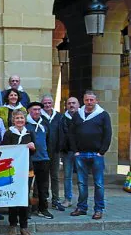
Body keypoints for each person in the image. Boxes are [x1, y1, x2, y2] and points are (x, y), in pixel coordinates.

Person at [69, 91, 111, 220]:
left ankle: (98, 209)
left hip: (96, 154)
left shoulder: (103, 115)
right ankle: (82, 207)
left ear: (96, 101)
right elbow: (71, 133)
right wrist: (75, 150)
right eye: (87, 100)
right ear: (83, 100)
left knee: (98, 184)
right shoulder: (78, 115)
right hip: (80, 154)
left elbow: (108, 133)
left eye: (91, 100)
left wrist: (102, 151)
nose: (89, 102)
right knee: (81, 183)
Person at [1, 109, 36, 235]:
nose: (20, 120)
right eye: (17, 118)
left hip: (27, 170)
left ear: (25, 119)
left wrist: (33, 147)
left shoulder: (29, 133)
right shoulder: (9, 134)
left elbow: (34, 152)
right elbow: (6, 151)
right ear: (13, 120)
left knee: (24, 197)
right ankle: (12, 225)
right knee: (13, 197)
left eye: (21, 118)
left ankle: (24, 226)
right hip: (13, 171)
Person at [25, 101, 54, 220]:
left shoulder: (45, 124)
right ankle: (26, 210)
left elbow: (48, 140)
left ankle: (43, 208)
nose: (37, 112)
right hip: (30, 160)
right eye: (34, 109)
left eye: (38, 110)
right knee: (26, 186)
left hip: (44, 159)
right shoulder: (26, 125)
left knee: (43, 186)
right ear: (29, 111)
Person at [41, 94, 65, 211]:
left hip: (55, 152)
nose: (47, 105)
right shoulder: (39, 117)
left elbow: (62, 132)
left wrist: (60, 147)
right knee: (43, 177)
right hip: (43, 152)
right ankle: (43, 200)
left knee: (55, 176)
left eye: (49, 103)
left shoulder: (59, 117)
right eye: (45, 103)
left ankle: (56, 200)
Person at [60, 97, 80, 208]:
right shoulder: (63, 118)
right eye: (69, 103)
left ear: (78, 104)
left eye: (74, 103)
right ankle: (68, 199)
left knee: (82, 177)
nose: (71, 105)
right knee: (67, 176)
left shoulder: (83, 117)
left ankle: (82, 201)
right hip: (67, 152)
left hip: (81, 152)